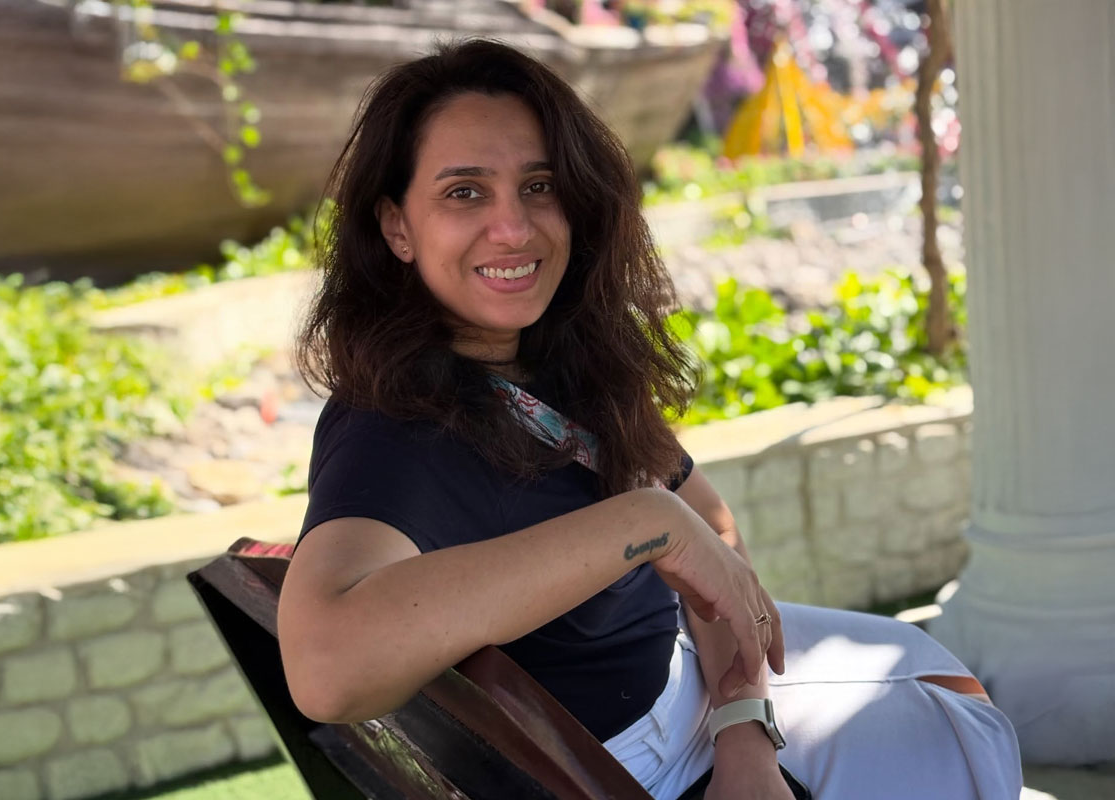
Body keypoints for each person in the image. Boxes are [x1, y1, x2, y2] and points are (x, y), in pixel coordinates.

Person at [278, 38, 1023, 800]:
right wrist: (641, 524)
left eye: (539, 186)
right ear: (397, 227)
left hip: (703, 699)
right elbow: (325, 669)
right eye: (464, 192)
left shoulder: (554, 364)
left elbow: (713, 535)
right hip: (642, 766)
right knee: (956, 729)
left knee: (941, 691)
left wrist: (745, 730)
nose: (514, 228)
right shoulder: (391, 425)